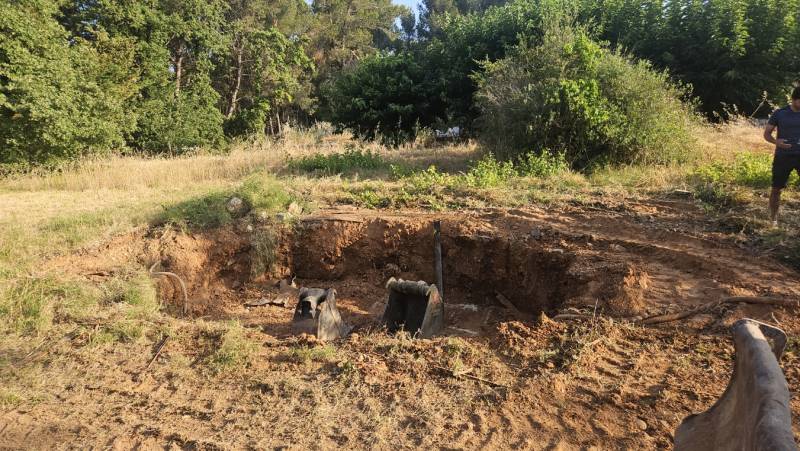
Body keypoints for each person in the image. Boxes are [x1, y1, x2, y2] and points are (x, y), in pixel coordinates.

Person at [764, 86, 800, 225]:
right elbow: (767, 134)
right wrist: (776, 142)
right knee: (776, 189)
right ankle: (773, 219)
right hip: (783, 156)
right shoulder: (780, 113)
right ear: (794, 99)